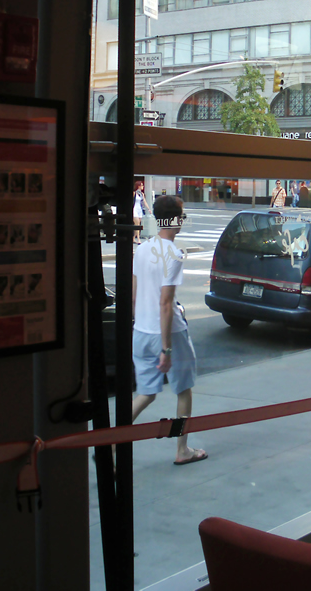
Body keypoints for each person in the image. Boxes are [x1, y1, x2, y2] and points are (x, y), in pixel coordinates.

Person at [131, 194, 207, 465]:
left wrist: (139, 321)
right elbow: (165, 303)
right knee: (183, 390)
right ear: (175, 220)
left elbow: (134, 292)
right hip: (169, 332)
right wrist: (166, 348)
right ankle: (182, 449)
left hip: (141, 330)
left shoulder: (141, 249)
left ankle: (112, 443)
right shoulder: (173, 254)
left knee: (146, 393)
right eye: (182, 217)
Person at [133, 180, 151, 245]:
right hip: (134, 209)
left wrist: (148, 209)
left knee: (138, 225)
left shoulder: (141, 194)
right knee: (137, 224)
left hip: (139, 209)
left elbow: (144, 202)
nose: (143, 186)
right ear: (138, 186)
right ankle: (138, 239)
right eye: (141, 185)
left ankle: (133, 238)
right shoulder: (134, 193)